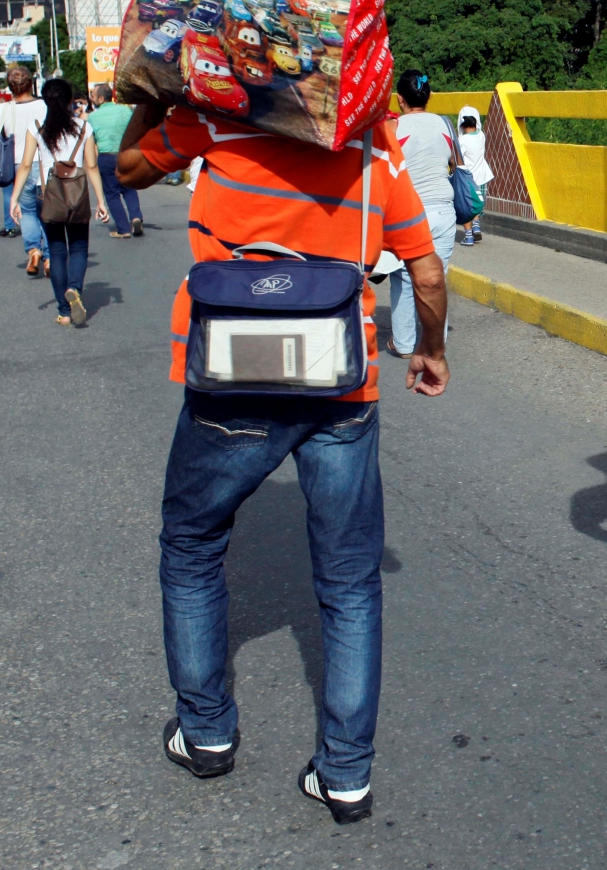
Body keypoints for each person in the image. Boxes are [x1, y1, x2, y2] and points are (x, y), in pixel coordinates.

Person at [116, 97, 450, 826]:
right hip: (341, 387)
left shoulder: (211, 119)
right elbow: (424, 272)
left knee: (193, 545)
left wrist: (150, 90)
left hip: (230, 383)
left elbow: (129, 168)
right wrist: (430, 347)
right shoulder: (370, 145)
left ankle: (205, 731)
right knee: (350, 581)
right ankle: (346, 774)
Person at [11, 79, 108, 326]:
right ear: (70, 101)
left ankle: (64, 312)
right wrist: (101, 201)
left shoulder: (37, 129)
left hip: (47, 195)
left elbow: (24, 166)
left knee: (56, 250)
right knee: (78, 247)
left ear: (45, 100)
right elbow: (92, 166)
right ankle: (74, 287)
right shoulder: (83, 127)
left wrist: (14, 199)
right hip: (77, 194)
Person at [384, 70, 458, 357]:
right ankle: (434, 344)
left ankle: (403, 343)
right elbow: (456, 164)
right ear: (428, 96)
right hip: (444, 209)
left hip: (410, 212)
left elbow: (383, 170)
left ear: (400, 99)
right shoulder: (446, 124)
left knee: (404, 276)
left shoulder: (394, 128)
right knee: (438, 275)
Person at [0, 66, 49, 274]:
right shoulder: (44, 105)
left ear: (9, 86)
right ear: (31, 83)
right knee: (48, 212)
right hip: (43, 164)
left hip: (18, 166)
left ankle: (33, 250)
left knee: (28, 212)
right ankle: (49, 257)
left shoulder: (5, 108)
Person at [86, 84, 144, 238]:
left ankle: (123, 229)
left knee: (112, 194)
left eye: (92, 96)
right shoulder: (126, 110)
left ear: (100, 98)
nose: (90, 98)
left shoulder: (92, 117)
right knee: (129, 188)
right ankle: (136, 217)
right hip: (125, 154)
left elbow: (90, 141)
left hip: (106, 156)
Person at [455, 106, 493, 246]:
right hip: (482, 178)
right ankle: (476, 225)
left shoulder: (462, 141)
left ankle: (469, 236)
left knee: (465, 206)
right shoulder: (482, 136)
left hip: (467, 179)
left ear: (463, 125)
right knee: (476, 205)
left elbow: (457, 158)